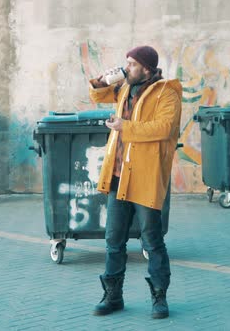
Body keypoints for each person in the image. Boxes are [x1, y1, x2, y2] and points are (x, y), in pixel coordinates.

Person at [88, 45, 182, 319]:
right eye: (127, 63)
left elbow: (164, 128)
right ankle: (113, 296)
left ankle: (159, 298)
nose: (126, 67)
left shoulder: (167, 92)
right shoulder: (126, 88)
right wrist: (104, 81)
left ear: (147, 69)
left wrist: (124, 127)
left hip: (145, 177)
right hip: (118, 176)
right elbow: (96, 95)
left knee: (152, 240)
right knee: (113, 240)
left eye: (131, 64)